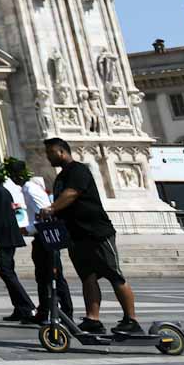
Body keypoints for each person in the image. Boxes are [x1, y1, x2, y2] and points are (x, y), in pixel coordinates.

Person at [43, 137, 139, 335]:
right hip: (76, 235)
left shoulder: (78, 170)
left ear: (62, 151)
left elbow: (72, 194)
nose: (48, 157)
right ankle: (92, 319)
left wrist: (52, 208)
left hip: (96, 232)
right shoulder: (61, 177)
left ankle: (132, 320)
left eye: (50, 153)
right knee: (87, 277)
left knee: (114, 274)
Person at [15, 162, 72, 324]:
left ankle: (66, 311)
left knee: (54, 275)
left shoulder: (30, 190)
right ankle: (43, 312)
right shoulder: (29, 189)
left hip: (45, 237)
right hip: (41, 237)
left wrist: (29, 229)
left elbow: (46, 213)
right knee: (42, 276)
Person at [0, 162, 35, 322]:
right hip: (7, 237)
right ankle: (20, 308)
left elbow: (0, 218)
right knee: (7, 272)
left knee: (6, 272)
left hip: (5, 239)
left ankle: (27, 306)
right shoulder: (1, 191)